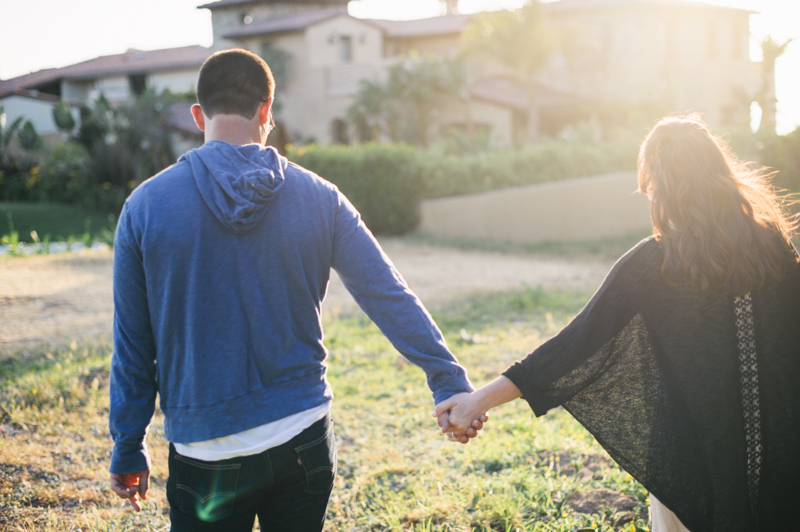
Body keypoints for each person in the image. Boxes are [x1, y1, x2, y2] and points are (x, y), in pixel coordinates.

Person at [107, 48, 485, 532]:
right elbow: (387, 294)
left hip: (206, 451)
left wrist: (127, 444)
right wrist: (447, 379)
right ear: (267, 111)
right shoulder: (321, 196)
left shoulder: (144, 207)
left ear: (198, 115)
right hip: (302, 437)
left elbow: (133, 345)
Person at [435, 115, 800, 532]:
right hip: (785, 462)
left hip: (693, 464)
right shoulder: (772, 246)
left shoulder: (655, 264)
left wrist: (477, 401)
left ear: (660, 187)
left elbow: (573, 346)